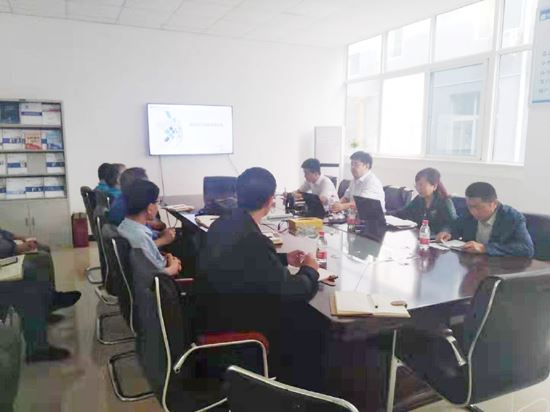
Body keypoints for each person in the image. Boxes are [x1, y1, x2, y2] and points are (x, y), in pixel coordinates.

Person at [194, 167, 322, 390]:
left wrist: (282, 259)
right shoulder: (253, 240)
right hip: (236, 326)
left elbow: (241, 260)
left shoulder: (223, 223)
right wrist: (310, 270)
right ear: (271, 201)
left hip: (210, 313)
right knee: (309, 323)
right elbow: (292, 290)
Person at [436, 182, 534, 257]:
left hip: (500, 268)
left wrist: (485, 248)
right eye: (470, 206)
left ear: (494, 204)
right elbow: (454, 225)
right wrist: (447, 232)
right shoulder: (468, 212)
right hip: (473, 265)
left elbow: (527, 249)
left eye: (477, 207)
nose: (473, 211)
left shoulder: (511, 217)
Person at [0, 228, 81, 313]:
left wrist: (22, 238)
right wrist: (17, 248)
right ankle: (48, 300)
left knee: (41, 255)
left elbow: (4, 233)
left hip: (9, 255)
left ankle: (50, 295)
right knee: (31, 269)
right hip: (5, 259)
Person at [117, 179, 181, 276]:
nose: (157, 206)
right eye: (157, 202)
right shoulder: (141, 238)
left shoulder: (123, 225)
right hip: (159, 281)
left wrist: (168, 258)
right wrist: (174, 266)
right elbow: (157, 274)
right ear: (150, 208)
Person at [393, 168, 457, 234]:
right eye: (416, 185)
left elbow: (452, 224)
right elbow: (403, 213)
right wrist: (387, 215)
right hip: (420, 236)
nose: (418, 188)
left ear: (434, 186)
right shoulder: (418, 199)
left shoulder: (445, 201)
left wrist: (445, 232)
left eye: (421, 185)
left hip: (437, 238)